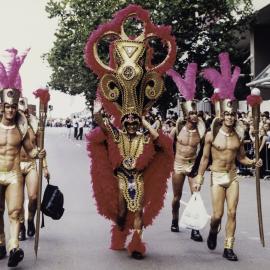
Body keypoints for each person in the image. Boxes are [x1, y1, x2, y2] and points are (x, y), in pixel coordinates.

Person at [84, 4, 176, 260]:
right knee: (123, 212)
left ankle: (136, 243)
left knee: (138, 213)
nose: (133, 123)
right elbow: (100, 123)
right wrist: (99, 107)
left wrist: (146, 122)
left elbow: (164, 146)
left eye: (137, 120)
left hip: (141, 177)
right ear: (125, 122)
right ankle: (120, 228)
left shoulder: (147, 133)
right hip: (121, 177)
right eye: (131, 121)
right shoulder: (116, 134)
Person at [195, 52, 262, 261]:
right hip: (216, 177)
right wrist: (199, 177)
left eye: (233, 114)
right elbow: (205, 159)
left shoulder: (239, 136)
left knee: (232, 213)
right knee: (217, 215)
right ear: (222, 116)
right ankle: (214, 230)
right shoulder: (210, 134)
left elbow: (241, 158)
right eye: (228, 114)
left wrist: (253, 162)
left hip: (232, 177)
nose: (231, 117)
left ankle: (228, 247)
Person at [0, 48, 46, 267]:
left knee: (15, 211)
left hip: (14, 174)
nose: (10, 110)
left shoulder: (22, 126)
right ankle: (1, 242)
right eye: (6, 106)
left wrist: (40, 154)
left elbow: (30, 149)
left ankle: (14, 247)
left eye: (12, 106)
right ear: (2, 106)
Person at [167, 63, 206, 241]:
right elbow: (169, 147)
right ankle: (174, 219)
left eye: (196, 113)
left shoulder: (202, 131)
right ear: (186, 115)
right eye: (191, 113)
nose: (194, 115)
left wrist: (198, 169)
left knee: (195, 196)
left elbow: (205, 151)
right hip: (178, 164)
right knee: (177, 197)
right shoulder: (177, 130)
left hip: (192, 165)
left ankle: (194, 228)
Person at [17, 97, 50, 241]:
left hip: (31, 164)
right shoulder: (10, 125)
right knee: (17, 201)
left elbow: (40, 148)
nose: (21, 111)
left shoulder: (35, 125)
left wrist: (45, 167)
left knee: (33, 197)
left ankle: (30, 220)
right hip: (15, 166)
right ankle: (21, 226)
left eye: (23, 108)